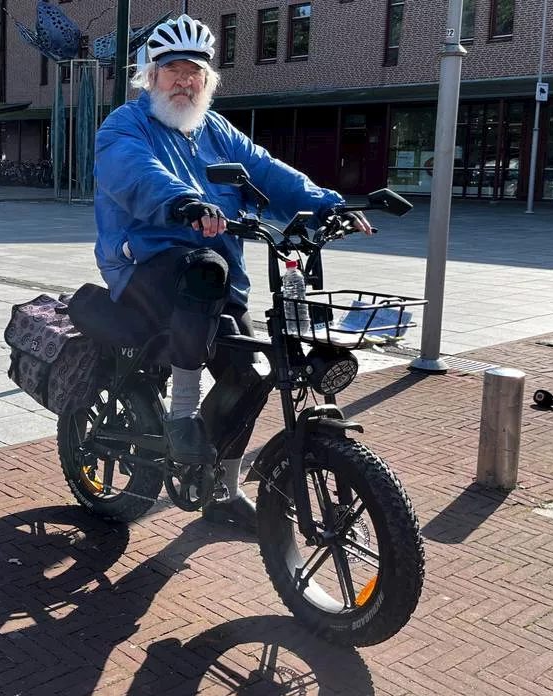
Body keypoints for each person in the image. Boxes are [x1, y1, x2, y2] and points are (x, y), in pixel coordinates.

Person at [93, 13, 371, 533]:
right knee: (205, 265)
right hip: (146, 264)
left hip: (216, 279)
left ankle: (221, 487)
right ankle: (180, 417)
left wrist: (328, 205)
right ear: (149, 75)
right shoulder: (124, 126)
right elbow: (131, 171)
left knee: (251, 375)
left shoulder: (216, 130)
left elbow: (266, 171)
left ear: (207, 80)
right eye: (172, 69)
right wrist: (184, 202)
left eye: (194, 71)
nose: (184, 80)